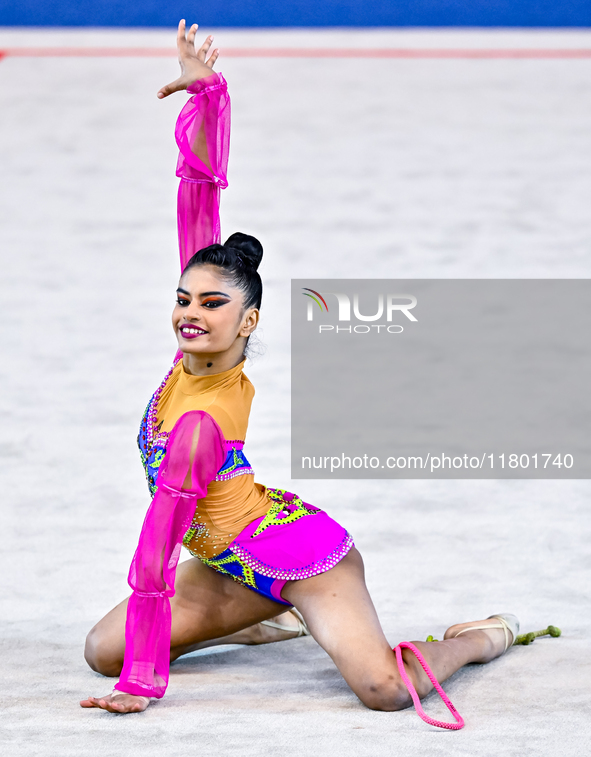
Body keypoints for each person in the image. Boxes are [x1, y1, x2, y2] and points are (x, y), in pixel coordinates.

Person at [80, 21, 519, 722]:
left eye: (212, 304)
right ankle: (263, 615)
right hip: (232, 561)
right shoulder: (189, 354)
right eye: (182, 298)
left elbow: (154, 560)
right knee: (103, 646)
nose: (190, 312)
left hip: (297, 553)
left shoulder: (201, 421)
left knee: (380, 690)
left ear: (247, 321)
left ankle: (472, 640)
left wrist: (143, 681)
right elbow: (200, 190)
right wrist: (210, 96)